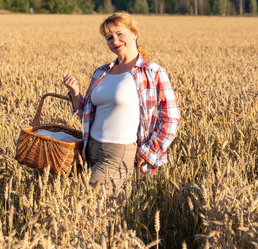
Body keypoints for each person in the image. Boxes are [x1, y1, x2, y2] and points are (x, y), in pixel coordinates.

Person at [62, 12, 181, 194]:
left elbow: (171, 119)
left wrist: (149, 152)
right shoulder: (101, 72)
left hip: (118, 153)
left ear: (134, 33)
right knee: (99, 211)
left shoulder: (152, 71)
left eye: (119, 34)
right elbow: (85, 112)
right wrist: (75, 92)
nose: (114, 40)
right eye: (109, 37)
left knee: (87, 205)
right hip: (89, 147)